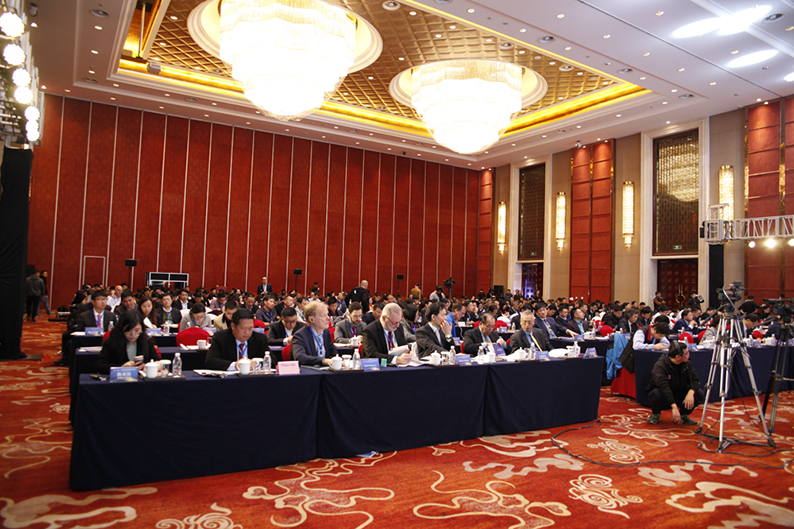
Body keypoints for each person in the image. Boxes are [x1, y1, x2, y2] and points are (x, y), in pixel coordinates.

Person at [646, 340, 705, 425]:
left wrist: (691, 393)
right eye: (686, 353)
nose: (689, 355)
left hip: (680, 391)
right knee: (655, 394)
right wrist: (674, 406)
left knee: (699, 394)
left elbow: (695, 380)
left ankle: (683, 415)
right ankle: (656, 413)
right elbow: (664, 387)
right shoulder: (660, 366)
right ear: (678, 357)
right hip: (664, 395)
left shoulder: (687, 364)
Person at [205, 309, 273, 371]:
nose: (247, 332)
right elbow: (210, 361)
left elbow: (273, 360)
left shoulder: (260, 339)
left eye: (250, 328)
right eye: (243, 328)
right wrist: (236, 365)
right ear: (233, 326)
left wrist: (257, 364)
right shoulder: (221, 337)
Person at [94, 311, 161, 374]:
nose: (133, 334)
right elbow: (99, 366)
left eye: (137, 330)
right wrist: (121, 368)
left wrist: (156, 365)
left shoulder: (147, 341)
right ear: (122, 329)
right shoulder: (111, 342)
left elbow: (156, 360)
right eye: (128, 330)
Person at [291, 301, 337, 366]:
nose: (328, 318)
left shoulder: (326, 332)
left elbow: (333, 353)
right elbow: (300, 357)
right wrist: (323, 361)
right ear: (311, 319)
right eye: (324, 315)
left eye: (327, 314)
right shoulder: (300, 335)